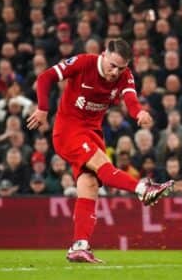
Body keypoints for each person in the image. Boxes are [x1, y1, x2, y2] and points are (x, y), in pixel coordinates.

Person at [27, 39, 174, 263]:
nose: (115, 72)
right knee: (105, 167)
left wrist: (139, 114)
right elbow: (45, 77)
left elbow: (131, 100)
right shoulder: (84, 63)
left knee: (90, 184)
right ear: (104, 54)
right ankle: (142, 188)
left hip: (92, 133)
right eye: (112, 65)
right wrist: (43, 109)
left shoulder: (125, 76)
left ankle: (79, 245)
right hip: (68, 131)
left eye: (121, 68)